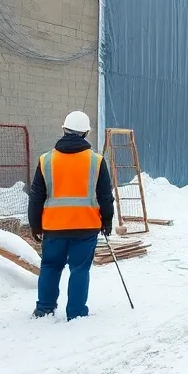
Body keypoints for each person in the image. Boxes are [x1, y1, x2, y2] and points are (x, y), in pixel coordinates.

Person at [27, 110, 115, 321]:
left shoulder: (46, 160)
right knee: (80, 270)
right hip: (86, 226)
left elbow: (36, 196)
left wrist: (35, 224)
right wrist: (108, 220)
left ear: (64, 129)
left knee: (50, 266)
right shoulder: (96, 161)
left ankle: (44, 309)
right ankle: (75, 312)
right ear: (86, 133)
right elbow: (105, 195)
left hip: (54, 227)